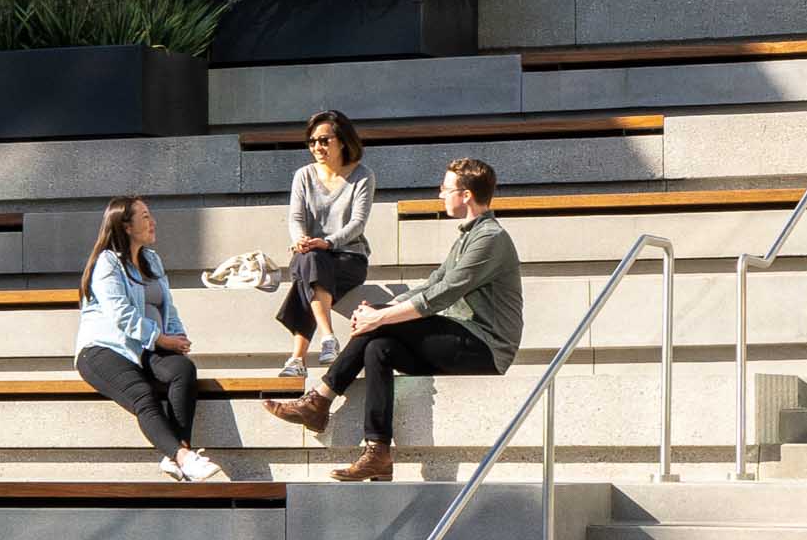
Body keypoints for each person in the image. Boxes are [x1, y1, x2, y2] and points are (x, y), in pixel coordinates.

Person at [263, 157, 525, 483]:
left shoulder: (490, 239)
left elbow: (440, 296)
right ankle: (378, 451)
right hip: (462, 337)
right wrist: (378, 313)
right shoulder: (467, 237)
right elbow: (431, 283)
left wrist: (380, 315)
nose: (441, 195)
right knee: (379, 348)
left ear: (467, 194)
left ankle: (319, 401)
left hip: (486, 346)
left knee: (381, 324)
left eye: (445, 189)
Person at [75, 197, 229, 484]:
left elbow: (167, 306)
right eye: (145, 217)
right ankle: (186, 458)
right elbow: (120, 315)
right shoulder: (106, 263)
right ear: (126, 226)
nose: (153, 221)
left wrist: (177, 337)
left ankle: (176, 453)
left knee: (183, 370)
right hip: (103, 349)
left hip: (143, 347)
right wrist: (161, 339)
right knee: (144, 395)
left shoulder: (152, 259)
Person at [278, 109, 374, 372]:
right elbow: (296, 219)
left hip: (349, 257)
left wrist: (328, 242)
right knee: (308, 261)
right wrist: (300, 240)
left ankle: (298, 358)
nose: (317, 147)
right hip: (312, 255)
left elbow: (357, 224)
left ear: (342, 140)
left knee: (306, 273)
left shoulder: (362, 175)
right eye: (312, 141)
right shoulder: (304, 175)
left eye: (323, 140)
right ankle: (327, 337)